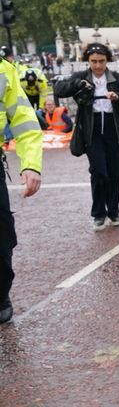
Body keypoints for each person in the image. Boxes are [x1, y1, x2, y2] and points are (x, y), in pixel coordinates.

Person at [55, 42, 119, 231]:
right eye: (93, 61)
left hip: (115, 131)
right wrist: (77, 84)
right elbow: (59, 89)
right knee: (98, 172)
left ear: (108, 61)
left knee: (114, 173)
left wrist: (118, 97)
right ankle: (98, 213)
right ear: (87, 61)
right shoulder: (81, 76)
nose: (98, 65)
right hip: (92, 130)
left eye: (101, 61)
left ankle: (113, 211)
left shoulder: (117, 78)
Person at [0, 54, 43, 324]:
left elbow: (24, 121)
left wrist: (31, 164)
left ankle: (0, 293)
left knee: (2, 234)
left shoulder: (4, 70)